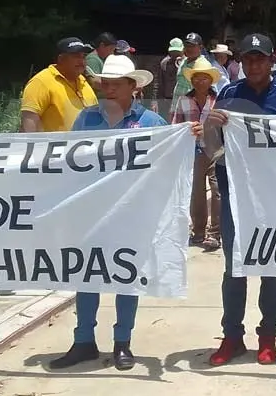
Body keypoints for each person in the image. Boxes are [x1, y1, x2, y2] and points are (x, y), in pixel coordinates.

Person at [48, 55, 194, 371]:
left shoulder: (151, 124)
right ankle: (83, 340)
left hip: (132, 214)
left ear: (133, 87)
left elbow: (167, 161)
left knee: (126, 277)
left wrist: (186, 137)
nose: (109, 89)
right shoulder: (87, 119)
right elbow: (69, 163)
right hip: (91, 212)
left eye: (116, 84)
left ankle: (122, 342)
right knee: (87, 275)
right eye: (106, 84)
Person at [202, 33, 276, 366]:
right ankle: (232, 336)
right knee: (234, 267)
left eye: (260, 58)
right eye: (248, 59)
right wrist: (210, 125)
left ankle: (268, 337)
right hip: (235, 193)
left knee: (271, 265)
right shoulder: (228, 93)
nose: (254, 64)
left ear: (272, 60)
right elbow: (210, 145)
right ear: (241, 62)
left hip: (273, 196)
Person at [172, 56, 222, 250]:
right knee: (196, 191)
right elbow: (176, 125)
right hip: (193, 151)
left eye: (204, 78)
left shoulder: (219, 100)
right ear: (191, 80)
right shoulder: (184, 100)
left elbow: (226, 126)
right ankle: (199, 231)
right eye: (196, 78)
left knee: (217, 190)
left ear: (210, 80)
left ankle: (215, 232)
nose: (200, 81)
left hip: (217, 150)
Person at [21, 37, 98, 133]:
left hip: (86, 146)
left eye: (83, 56)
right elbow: (29, 124)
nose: (82, 61)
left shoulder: (82, 81)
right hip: (53, 147)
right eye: (76, 56)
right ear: (61, 59)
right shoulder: (41, 82)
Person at [156, 38, 183, 113]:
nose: (175, 54)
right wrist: (157, 101)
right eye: (173, 52)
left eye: (177, 52)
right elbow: (160, 83)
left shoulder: (187, 62)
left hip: (183, 100)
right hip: (167, 100)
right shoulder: (164, 63)